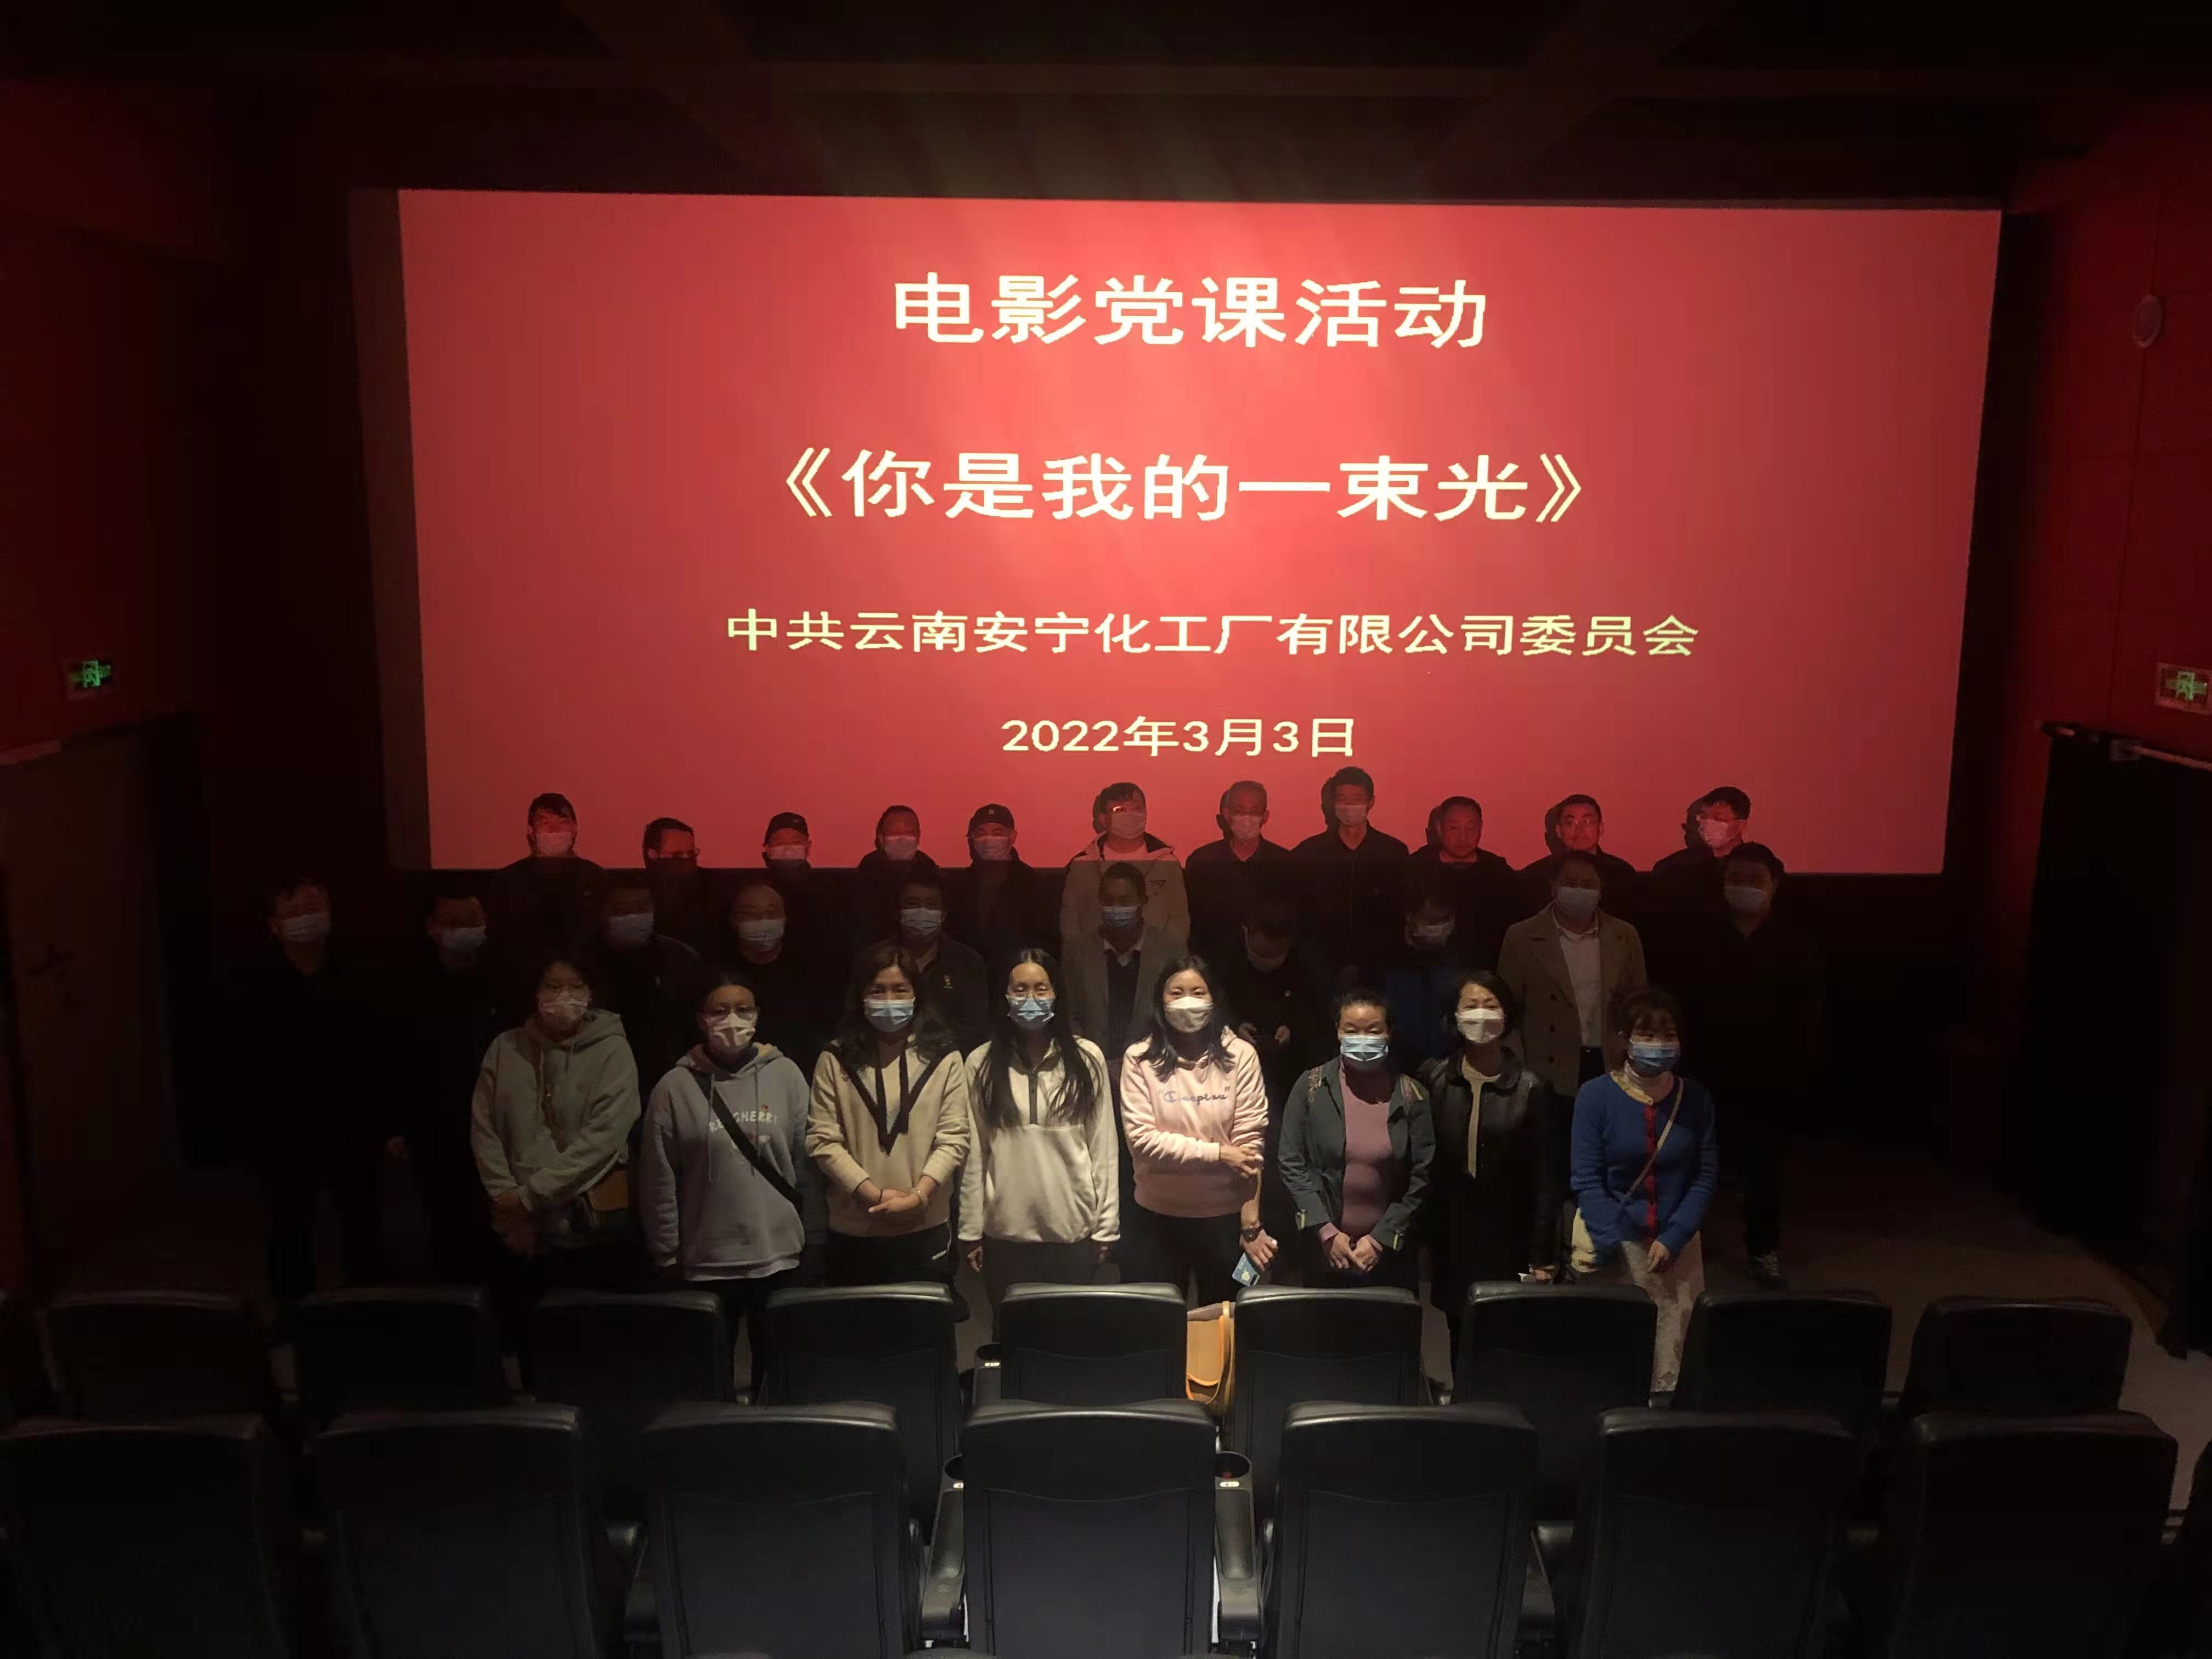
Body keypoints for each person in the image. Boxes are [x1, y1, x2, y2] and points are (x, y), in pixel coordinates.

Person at [637, 972, 824, 1395]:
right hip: (705, 1258)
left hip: (777, 1254)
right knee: (707, 1377)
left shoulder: (786, 1075)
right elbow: (658, 1176)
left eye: (744, 1009)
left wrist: (815, 1235)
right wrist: (665, 1249)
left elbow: (807, 1163)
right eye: (720, 1010)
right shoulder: (674, 1087)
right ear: (701, 1019)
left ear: (758, 1015)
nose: (732, 1020)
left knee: (776, 1375)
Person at [236, 878, 391, 1316]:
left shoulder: (358, 975)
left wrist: (381, 1120)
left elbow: (379, 1049)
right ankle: (294, 1319)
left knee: (363, 1226)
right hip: (283, 1127)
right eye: (297, 914)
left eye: (315, 911)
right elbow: (244, 1062)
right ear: (275, 925)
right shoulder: (255, 985)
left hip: (351, 1122)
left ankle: (369, 1313)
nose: (308, 921)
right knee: (289, 1228)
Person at [1681, 847, 1822, 1291]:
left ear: (1774, 884)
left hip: (1768, 1076)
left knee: (1764, 1169)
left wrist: (1792, 1071)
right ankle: (1684, 1246)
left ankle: (1763, 1250)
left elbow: (1806, 1017)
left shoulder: (1796, 945)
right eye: (1735, 878)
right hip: (1706, 1072)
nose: (1743, 887)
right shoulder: (1700, 938)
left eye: (1753, 879)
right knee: (1693, 1162)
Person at [1569, 988, 1718, 1392]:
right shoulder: (1595, 1096)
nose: (1659, 1044)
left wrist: (1675, 1236)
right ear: (1624, 1040)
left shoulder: (1695, 1099)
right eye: (1647, 1035)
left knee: (1673, 1355)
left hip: (1677, 1250)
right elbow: (1586, 1178)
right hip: (1618, 1247)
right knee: (1616, 1357)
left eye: (1668, 1034)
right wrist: (1613, 1241)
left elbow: (1704, 1176)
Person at [471, 953, 642, 1301]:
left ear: (590, 993)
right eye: (553, 986)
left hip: (587, 1227)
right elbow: (484, 1128)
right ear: (536, 993)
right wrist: (507, 1201)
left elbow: (605, 1138)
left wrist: (530, 1198)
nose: (564, 996)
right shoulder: (505, 1048)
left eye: (575, 987)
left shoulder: (613, 1050)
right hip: (515, 1227)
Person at [959, 950, 1117, 1318]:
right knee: (1011, 1336)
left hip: (1072, 1231)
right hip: (1006, 1234)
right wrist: (969, 1228)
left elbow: (1103, 1148)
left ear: (1057, 994)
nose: (1030, 997)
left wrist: (1107, 1225)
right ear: (1005, 996)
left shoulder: (1087, 1058)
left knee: (1069, 1336)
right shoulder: (981, 1062)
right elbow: (974, 1154)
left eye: (1041, 988)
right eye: (1020, 989)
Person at [805, 945, 974, 1288]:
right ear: (860, 996)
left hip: (926, 1223)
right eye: (877, 990)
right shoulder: (835, 1058)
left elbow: (954, 1137)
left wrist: (919, 1197)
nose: (889, 1000)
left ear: (917, 995)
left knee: (927, 1320)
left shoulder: (944, 1056)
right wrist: (874, 1197)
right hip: (854, 1227)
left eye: (900, 989)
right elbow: (823, 1140)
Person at [1420, 972, 1561, 1373]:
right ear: (1454, 1016)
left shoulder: (1532, 1088)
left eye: (1491, 1005)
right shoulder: (1434, 1079)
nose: (1480, 1015)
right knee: (1458, 1338)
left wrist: (1543, 1256)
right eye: (1471, 1006)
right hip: (1453, 1237)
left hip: (1511, 1238)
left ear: (1507, 1016)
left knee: (1505, 1344)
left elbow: (1546, 1181)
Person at [1117, 957, 1274, 1303]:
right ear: (1160, 1001)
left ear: (1213, 999)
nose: (1187, 1001)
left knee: (1222, 1320)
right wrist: (1219, 1153)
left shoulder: (1241, 1055)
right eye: (1177, 993)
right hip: (1155, 1217)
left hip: (1224, 1218)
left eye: (1198, 992)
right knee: (1157, 1320)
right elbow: (1143, 1142)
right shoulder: (1139, 1059)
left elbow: (1250, 1144)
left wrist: (1251, 1224)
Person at [1278, 989, 1435, 1290]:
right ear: (1337, 1032)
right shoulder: (1310, 1086)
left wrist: (1379, 1241)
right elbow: (1291, 1162)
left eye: (1373, 1031)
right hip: (1323, 1252)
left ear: (1389, 1033)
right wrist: (1326, 1233)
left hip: (1390, 1257)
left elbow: (1422, 1177)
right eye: (1351, 1031)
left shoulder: (1412, 1095)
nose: (1362, 1039)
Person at [393, 887, 507, 1284]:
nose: (465, 930)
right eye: (454, 923)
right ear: (432, 928)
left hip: (499, 1125)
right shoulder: (409, 986)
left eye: (472, 922)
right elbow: (398, 1059)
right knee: (444, 1222)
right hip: (436, 1126)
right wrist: (399, 1125)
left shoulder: (504, 981)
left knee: (502, 1222)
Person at [1212, 898, 1333, 1246]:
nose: (1269, 959)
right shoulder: (1223, 960)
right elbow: (1212, 1008)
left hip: (1290, 1078)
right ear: (1246, 934)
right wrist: (1234, 1028)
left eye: (1277, 953)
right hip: (1232, 1074)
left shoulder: (1307, 963)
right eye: (1262, 951)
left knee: (1286, 1157)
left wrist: (1292, 1029)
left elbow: (1319, 1014)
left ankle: (1287, 1242)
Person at [1497, 851, 1649, 1102]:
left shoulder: (1624, 936)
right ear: (1553, 887)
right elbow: (1506, 1010)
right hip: (1545, 1070)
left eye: (1588, 884)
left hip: (1610, 1063)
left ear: (1601, 888)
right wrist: (1517, 1068)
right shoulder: (1522, 936)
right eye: (1570, 883)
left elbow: (1640, 1005)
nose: (1579, 890)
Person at [1647, 788, 1785, 983]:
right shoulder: (1674, 868)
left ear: (1741, 824)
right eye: (1704, 817)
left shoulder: (1761, 864)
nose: (1708, 825)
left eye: (1719, 819)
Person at [579, 877, 703, 1088]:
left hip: (671, 1076)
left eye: (640, 908)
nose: (632, 916)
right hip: (598, 1076)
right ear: (602, 912)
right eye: (621, 910)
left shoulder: (682, 960)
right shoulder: (581, 963)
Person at [1290, 766, 1410, 981]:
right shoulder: (1309, 853)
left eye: (1356, 799)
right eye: (1342, 799)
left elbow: (1401, 912)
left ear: (1371, 802)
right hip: (1321, 965)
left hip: (1381, 964)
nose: (1349, 806)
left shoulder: (1393, 852)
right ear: (1333, 804)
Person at [1059, 862, 1179, 1069]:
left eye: (1124, 901)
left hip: (1151, 1067)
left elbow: (1173, 1017)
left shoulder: (1170, 949)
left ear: (1143, 901)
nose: (1116, 908)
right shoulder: (1077, 951)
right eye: (1109, 901)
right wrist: (1089, 1061)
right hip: (1090, 1065)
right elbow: (1070, 1015)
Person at [719, 881, 834, 1077]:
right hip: (737, 1076)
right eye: (750, 914)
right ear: (733, 920)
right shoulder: (719, 975)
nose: (762, 921)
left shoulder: (814, 970)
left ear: (785, 918)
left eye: (772, 914)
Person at [1059, 782, 1190, 949]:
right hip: (1095, 956)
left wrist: (1166, 954)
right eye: (1120, 810)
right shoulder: (1083, 864)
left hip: (1155, 956)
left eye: (1137, 809)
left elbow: (1179, 918)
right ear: (1103, 819)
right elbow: (1071, 918)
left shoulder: (1167, 862)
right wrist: (1081, 954)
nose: (1130, 815)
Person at [486, 792, 605, 975]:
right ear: (531, 830)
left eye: (562, 822)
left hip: (584, 976)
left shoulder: (596, 877)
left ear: (575, 828)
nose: (554, 829)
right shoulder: (508, 880)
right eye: (545, 822)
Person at [871, 870, 989, 1053]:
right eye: (913, 904)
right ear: (898, 913)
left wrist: (927, 1055)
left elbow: (973, 1029)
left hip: (948, 1060)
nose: (922, 911)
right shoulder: (873, 959)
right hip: (881, 1057)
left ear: (943, 914)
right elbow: (856, 1018)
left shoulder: (968, 962)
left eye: (930, 904)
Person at [1184, 780, 1295, 960]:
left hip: (1268, 963)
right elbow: (1190, 918)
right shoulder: (1202, 861)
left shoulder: (1284, 863)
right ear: (1227, 814)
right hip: (1212, 961)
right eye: (1240, 811)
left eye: (1254, 812)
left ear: (1265, 816)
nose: (1247, 819)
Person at [1409, 796, 1523, 968]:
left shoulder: (1498, 872)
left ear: (1481, 828)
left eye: (1471, 828)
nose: (1463, 837)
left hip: (1486, 970)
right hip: (1426, 969)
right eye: (1454, 828)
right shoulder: (1415, 869)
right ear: (1439, 828)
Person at [943, 803, 1057, 974]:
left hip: (1018, 976)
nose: (988, 839)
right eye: (981, 833)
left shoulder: (1034, 883)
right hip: (967, 975)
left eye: (997, 833)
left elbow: (1046, 941)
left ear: (1012, 836)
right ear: (972, 839)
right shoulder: (957, 884)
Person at [1382, 876, 1472, 1071]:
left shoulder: (1466, 960)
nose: (1439, 927)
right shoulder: (1383, 959)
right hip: (1395, 1069)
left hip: (1451, 1069)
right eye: (1431, 921)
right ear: (1410, 916)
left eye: (1446, 919)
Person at [1519, 794, 1639, 921]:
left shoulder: (1621, 873)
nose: (1580, 829)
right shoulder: (1535, 875)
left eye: (1587, 822)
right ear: (1559, 831)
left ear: (1600, 828)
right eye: (1570, 823)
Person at [756, 810, 851, 954]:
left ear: (808, 846)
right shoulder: (756, 891)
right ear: (767, 848)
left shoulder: (828, 890)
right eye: (780, 843)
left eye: (796, 842)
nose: (788, 849)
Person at [853, 805, 939, 947]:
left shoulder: (931, 874)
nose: (902, 839)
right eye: (894, 833)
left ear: (918, 837)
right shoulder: (863, 878)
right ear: (881, 838)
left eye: (909, 833)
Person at [641, 816, 715, 953]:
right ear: (653, 854)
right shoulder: (635, 892)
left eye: (691, 853)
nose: (686, 860)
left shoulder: (711, 888)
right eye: (678, 855)